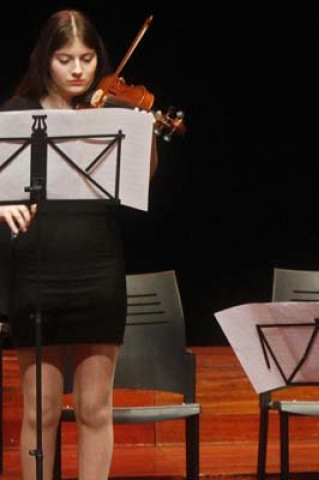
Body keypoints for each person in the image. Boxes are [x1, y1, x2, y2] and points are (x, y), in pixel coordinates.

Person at [0, 10, 157, 479]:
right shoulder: (14, 115)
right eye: (65, 58)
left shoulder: (114, 113)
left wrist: (145, 131)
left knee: (94, 408)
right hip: (35, 272)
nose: (77, 70)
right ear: (45, 60)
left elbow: (140, 183)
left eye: (87, 59)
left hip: (98, 271)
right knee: (40, 412)